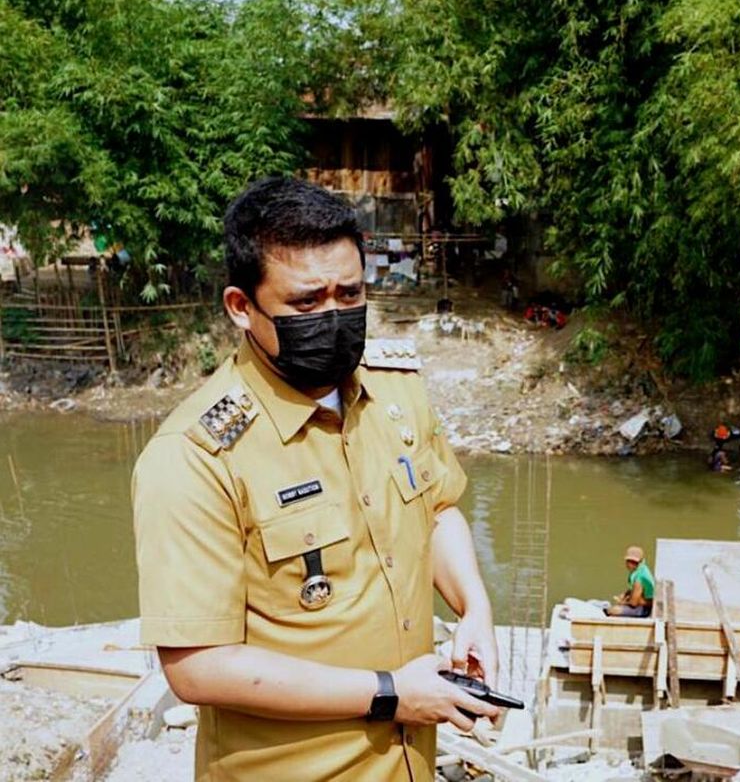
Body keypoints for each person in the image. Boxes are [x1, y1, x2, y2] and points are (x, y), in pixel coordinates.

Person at [131, 178, 500, 782]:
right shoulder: (196, 457)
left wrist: (475, 608)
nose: (332, 316)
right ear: (241, 307)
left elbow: (437, 510)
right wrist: (389, 694)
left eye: (349, 294)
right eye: (305, 303)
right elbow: (197, 667)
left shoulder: (395, 392)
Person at [605, 546, 655, 618]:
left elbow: (633, 603)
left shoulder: (640, 577)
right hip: (642, 605)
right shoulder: (641, 569)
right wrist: (625, 594)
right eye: (630, 561)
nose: (630, 564)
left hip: (644, 609)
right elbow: (633, 589)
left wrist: (622, 603)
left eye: (633, 562)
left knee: (612, 610)